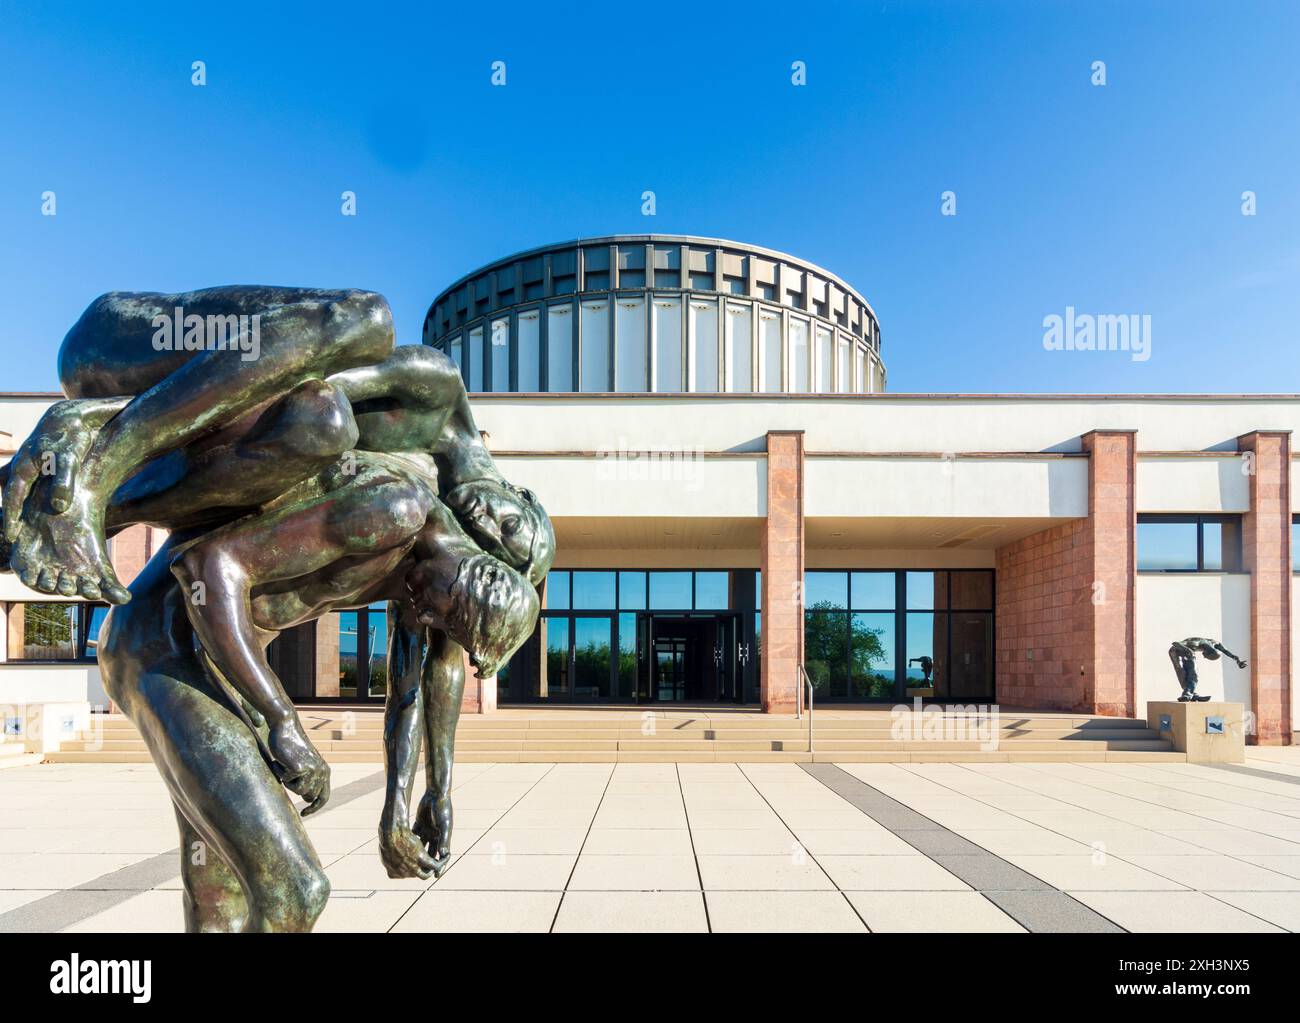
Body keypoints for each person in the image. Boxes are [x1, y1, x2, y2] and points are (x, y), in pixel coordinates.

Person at [99, 447, 538, 931]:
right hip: (161, 645)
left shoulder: (427, 576)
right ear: (471, 572)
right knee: (294, 891)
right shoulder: (394, 508)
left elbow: (409, 693)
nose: (427, 619)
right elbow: (208, 566)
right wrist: (281, 719)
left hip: (212, 662)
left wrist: (417, 801)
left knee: (220, 891)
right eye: (442, 613)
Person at [2, 287, 554, 600]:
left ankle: (87, 500)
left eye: (495, 546)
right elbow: (287, 382)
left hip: (147, 418)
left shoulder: (416, 492)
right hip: (126, 337)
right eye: (510, 524)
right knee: (366, 324)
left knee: (318, 433)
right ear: (523, 494)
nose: (485, 524)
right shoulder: (436, 386)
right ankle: (96, 467)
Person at [1168, 637, 1247, 702]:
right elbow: (1175, 644)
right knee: (1190, 673)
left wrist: (1238, 660)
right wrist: (1189, 651)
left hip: (1186, 652)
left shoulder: (1214, 643)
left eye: (1205, 655)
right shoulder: (1194, 643)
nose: (1203, 656)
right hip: (1175, 651)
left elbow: (1226, 651)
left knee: (1189, 673)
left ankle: (1190, 694)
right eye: (1205, 655)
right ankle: (1188, 694)